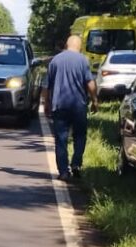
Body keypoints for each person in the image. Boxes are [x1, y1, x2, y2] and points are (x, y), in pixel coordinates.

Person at [43, 35, 99, 182]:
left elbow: (46, 86)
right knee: (80, 136)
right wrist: (95, 100)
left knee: (61, 140)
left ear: (67, 45)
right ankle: (76, 164)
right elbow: (90, 84)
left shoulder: (55, 60)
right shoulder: (83, 60)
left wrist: (46, 103)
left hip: (59, 106)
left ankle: (63, 171)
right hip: (78, 106)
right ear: (79, 46)